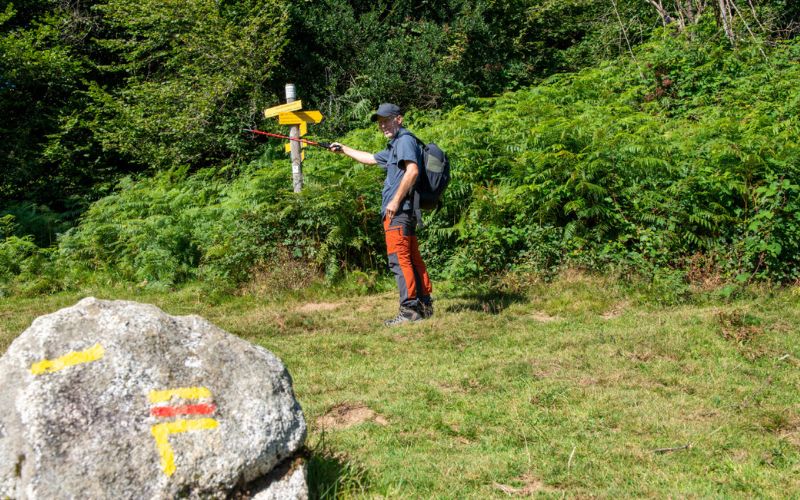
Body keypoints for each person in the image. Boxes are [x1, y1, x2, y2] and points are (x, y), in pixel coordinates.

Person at [330, 103, 434, 325]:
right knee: (412, 258)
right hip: (406, 211)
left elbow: (412, 170)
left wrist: (395, 201)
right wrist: (344, 149)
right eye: (380, 122)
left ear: (399, 119)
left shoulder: (404, 141)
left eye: (387, 120)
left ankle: (410, 311)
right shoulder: (396, 144)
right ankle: (424, 305)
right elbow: (370, 159)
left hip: (399, 211)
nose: (383, 125)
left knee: (399, 259)